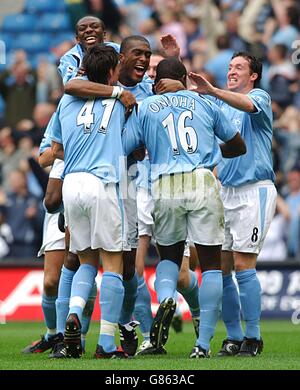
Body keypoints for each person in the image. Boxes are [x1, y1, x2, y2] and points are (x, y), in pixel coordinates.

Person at [122, 57, 246, 357]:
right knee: (211, 265)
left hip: (165, 184)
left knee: (169, 257)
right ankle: (202, 345)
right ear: (184, 78)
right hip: (202, 180)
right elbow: (238, 145)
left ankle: (165, 298)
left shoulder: (145, 107)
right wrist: (214, 147)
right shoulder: (205, 102)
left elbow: (126, 147)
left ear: (158, 81)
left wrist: (143, 147)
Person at [189, 52, 277, 357]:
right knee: (221, 266)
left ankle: (253, 336)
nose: (232, 71)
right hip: (224, 192)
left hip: (254, 190)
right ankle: (234, 335)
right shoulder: (218, 105)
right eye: (229, 67)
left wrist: (212, 90)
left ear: (253, 75)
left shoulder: (259, 97)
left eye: (239, 67)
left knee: (243, 265)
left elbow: (248, 106)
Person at [51, 44, 129, 359]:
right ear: (111, 73)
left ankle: (73, 312)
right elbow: (134, 144)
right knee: (112, 262)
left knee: (85, 260)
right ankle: (107, 344)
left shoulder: (66, 101)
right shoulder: (123, 99)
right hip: (103, 182)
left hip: (72, 182)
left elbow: (56, 148)